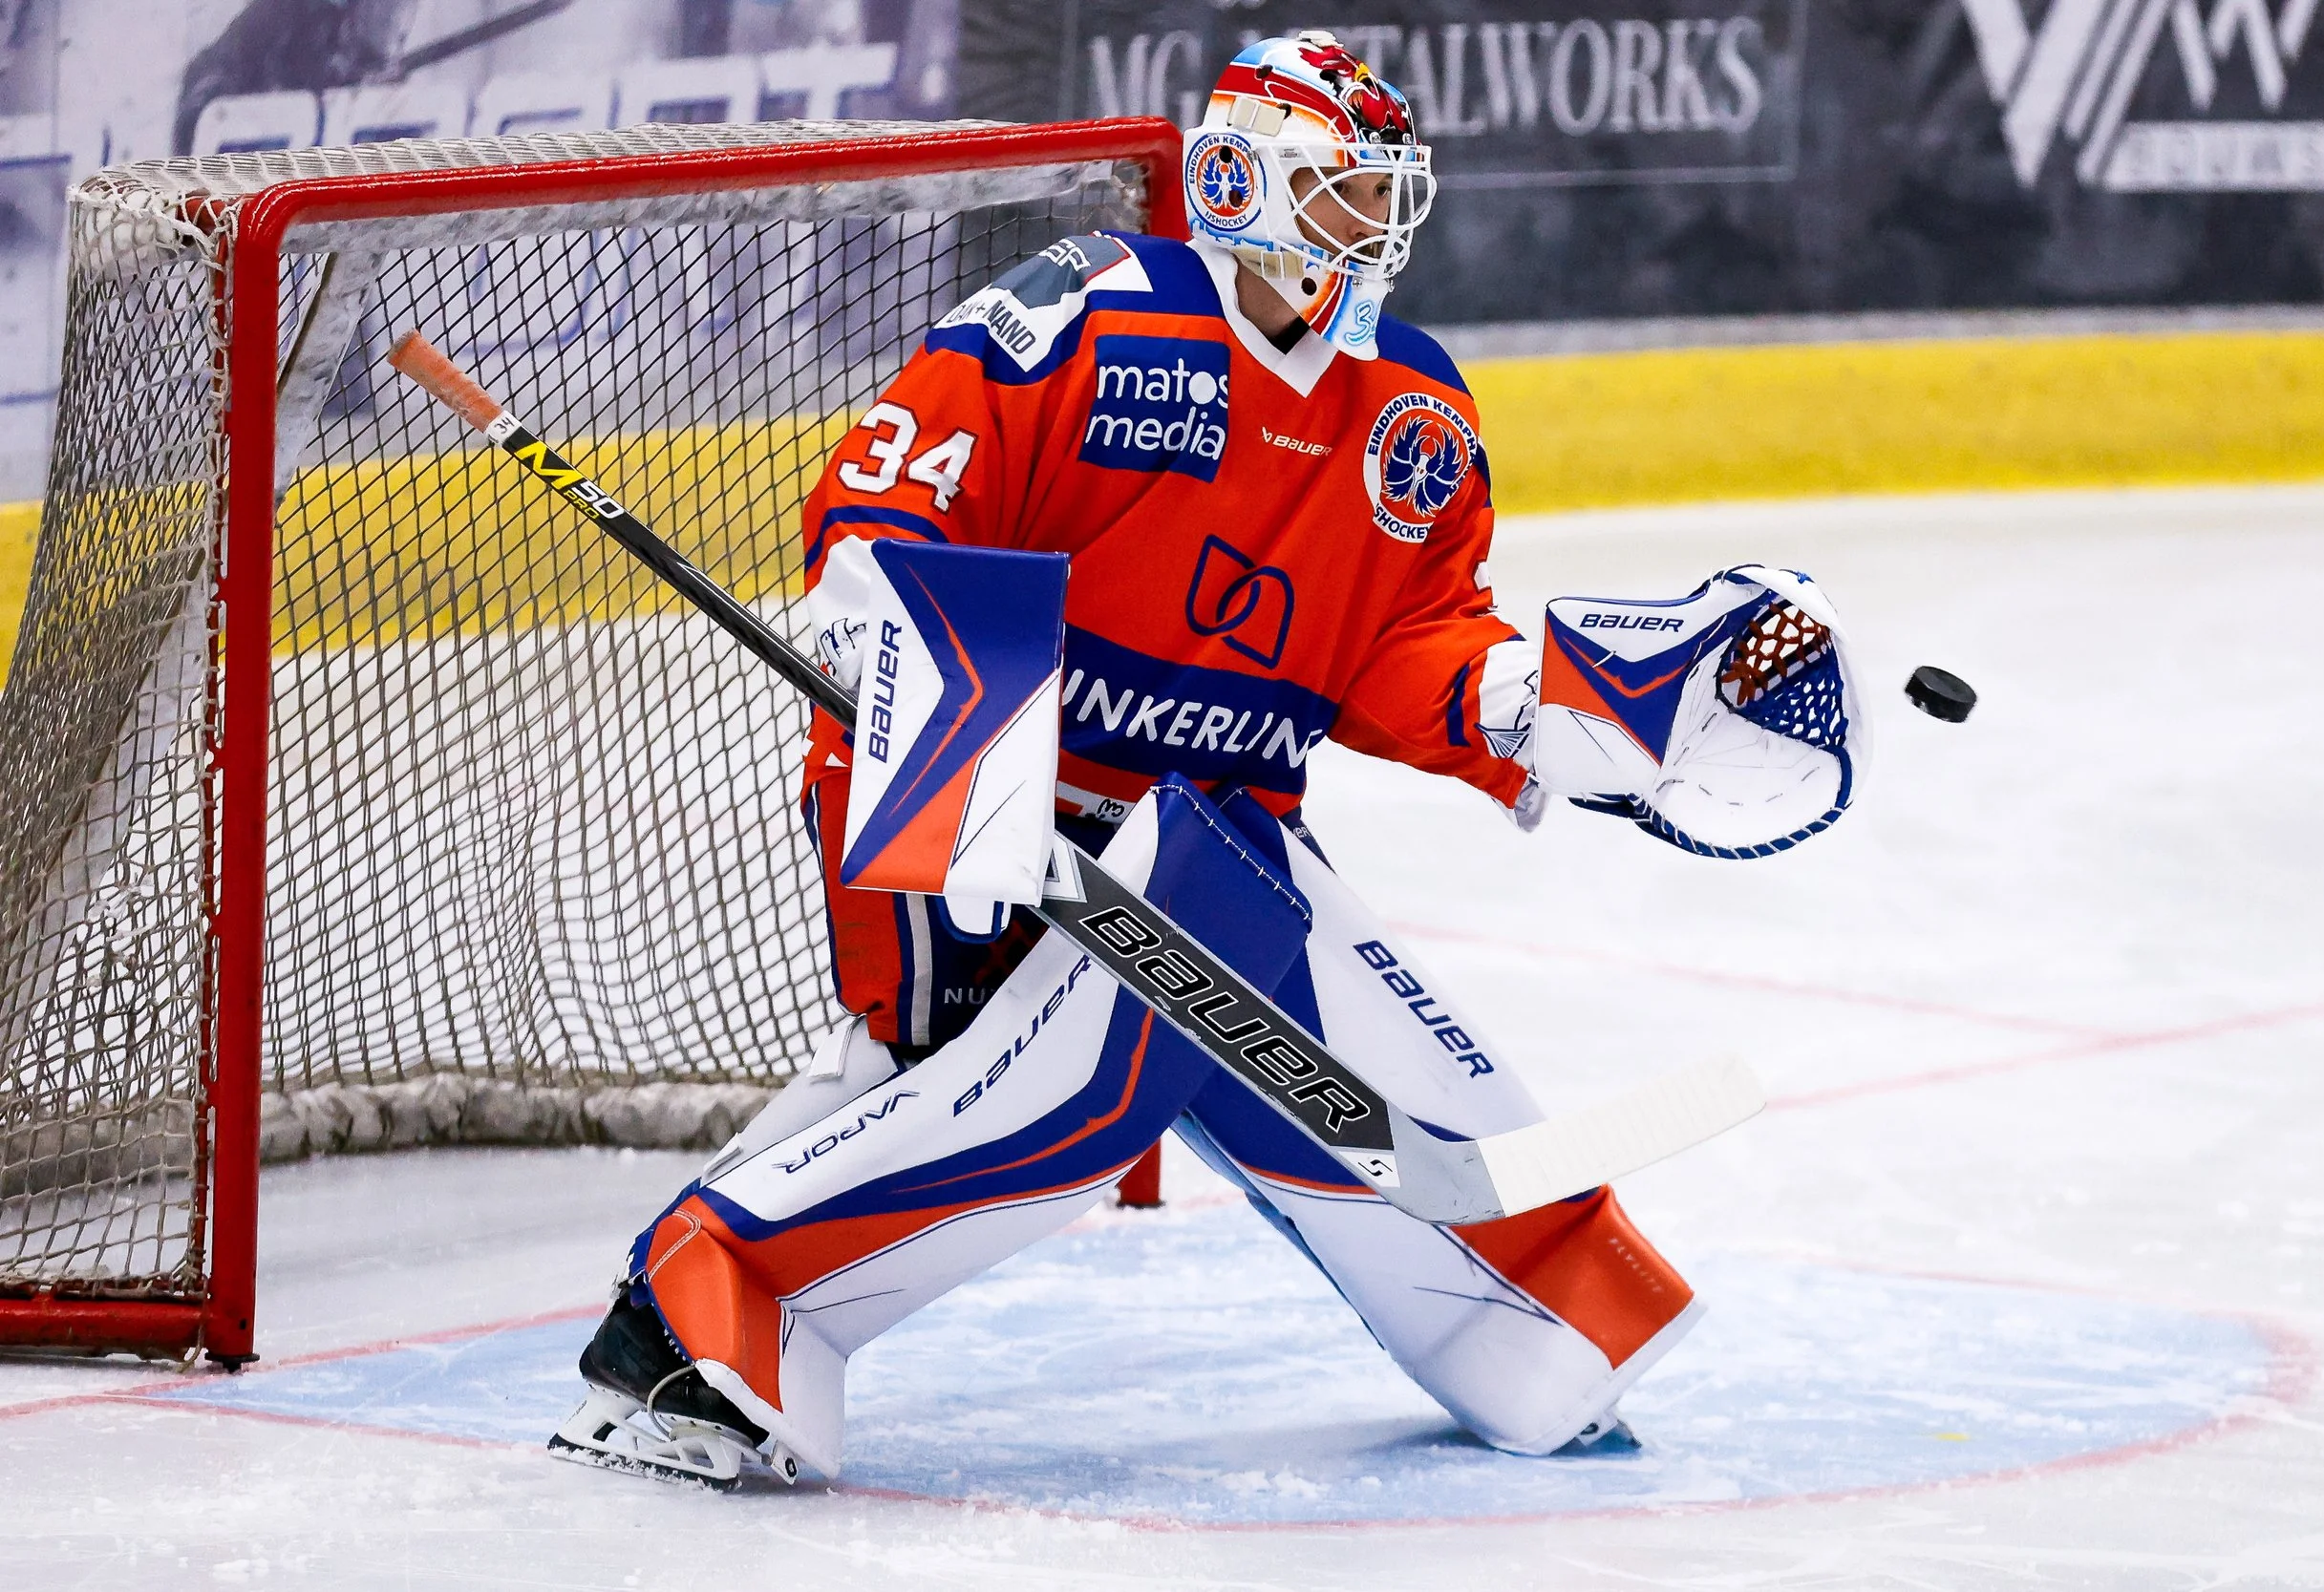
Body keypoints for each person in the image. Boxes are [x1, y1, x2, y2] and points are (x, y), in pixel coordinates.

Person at [551, 32, 1700, 1490]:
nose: (1373, 222)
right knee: (1005, 1092)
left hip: (1214, 837)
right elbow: (890, 497)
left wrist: (1533, 706)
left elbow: (1409, 642)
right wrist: (929, 687)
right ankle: (698, 1322)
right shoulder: (1089, 308)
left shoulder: (1412, 406)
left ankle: (1539, 1326)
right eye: (1342, 189)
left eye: (1382, 193)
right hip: (977, 785)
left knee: (1382, 1081)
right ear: (1237, 182)